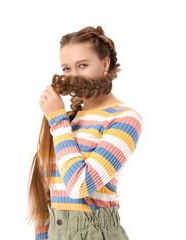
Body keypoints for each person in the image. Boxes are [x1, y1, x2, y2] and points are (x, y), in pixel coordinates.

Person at [27, 26, 143, 240]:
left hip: (96, 232)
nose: (73, 76)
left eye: (83, 65)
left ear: (105, 64)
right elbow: (45, 193)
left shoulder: (124, 119)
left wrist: (57, 119)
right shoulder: (66, 119)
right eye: (66, 68)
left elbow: (80, 185)